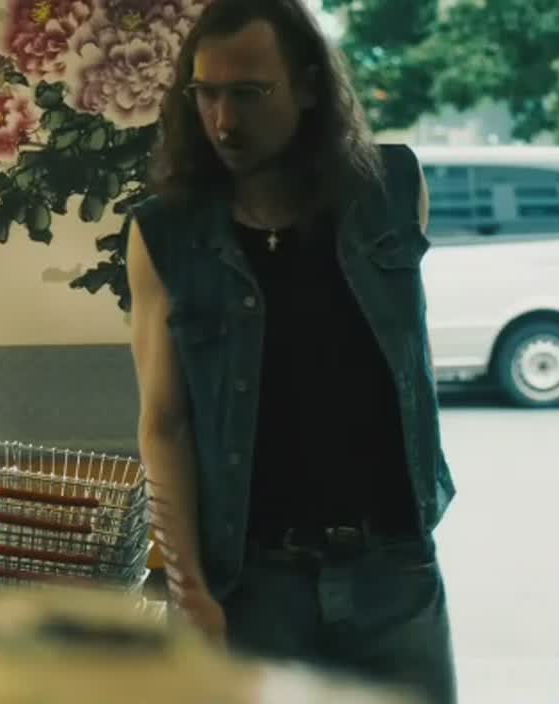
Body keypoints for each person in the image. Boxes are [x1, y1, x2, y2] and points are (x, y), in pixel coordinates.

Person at [127, 1, 457, 702]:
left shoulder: (393, 190)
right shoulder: (167, 235)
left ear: (307, 87)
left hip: (395, 572)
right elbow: (164, 425)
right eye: (207, 94)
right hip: (256, 585)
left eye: (249, 93)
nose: (223, 121)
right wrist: (190, 591)